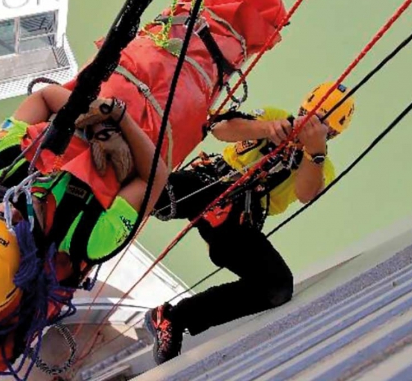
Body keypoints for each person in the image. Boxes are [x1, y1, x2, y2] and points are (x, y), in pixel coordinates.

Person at [143, 82, 356, 364]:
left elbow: (307, 193)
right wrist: (269, 128)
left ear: (332, 135)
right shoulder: (274, 117)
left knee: (277, 287)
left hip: (240, 220)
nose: (310, 126)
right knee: (152, 189)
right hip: (213, 182)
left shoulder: (320, 164)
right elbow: (219, 128)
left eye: (322, 127)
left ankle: (174, 318)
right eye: (308, 115)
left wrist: (314, 153)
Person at [0, 83, 170, 321]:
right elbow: (155, 177)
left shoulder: (3, 162)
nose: (10, 208)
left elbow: (45, 97)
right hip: (144, 117)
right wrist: (121, 119)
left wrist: (93, 115)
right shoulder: (91, 238)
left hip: (101, 103)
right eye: (15, 224)